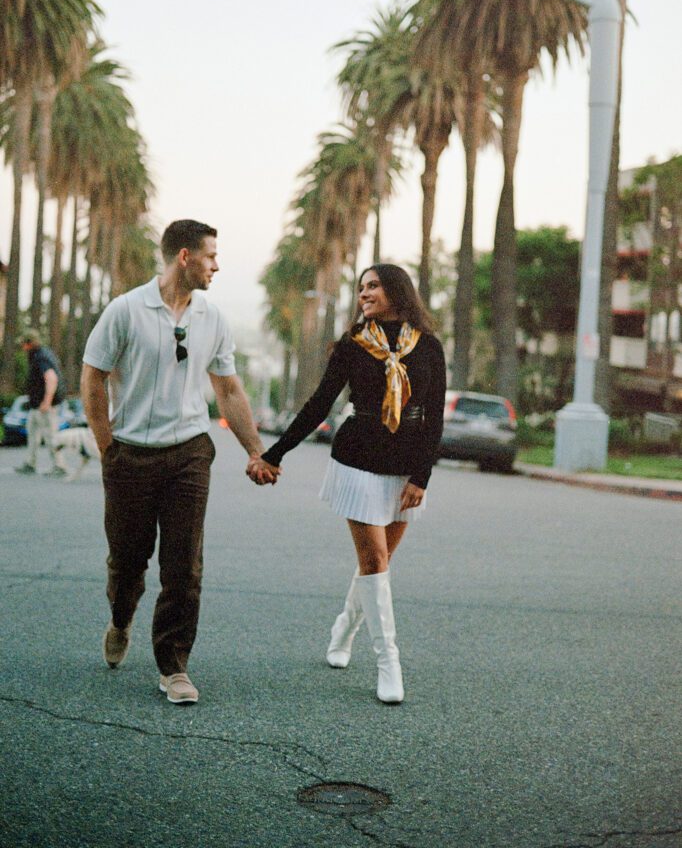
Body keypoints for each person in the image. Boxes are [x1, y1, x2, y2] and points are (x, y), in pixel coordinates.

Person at [81, 219, 278, 706]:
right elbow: (92, 379)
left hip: (189, 451)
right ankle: (122, 617)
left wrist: (256, 450)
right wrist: (109, 449)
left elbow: (228, 390)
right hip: (130, 454)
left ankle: (173, 667)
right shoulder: (126, 311)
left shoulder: (213, 317)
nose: (218, 265)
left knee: (184, 565)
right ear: (184, 257)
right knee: (128, 562)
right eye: (211, 256)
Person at [248, 264, 446, 704]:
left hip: (406, 465)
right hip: (357, 458)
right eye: (360, 288)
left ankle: (345, 625)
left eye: (373, 286)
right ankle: (388, 662)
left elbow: (434, 417)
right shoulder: (353, 346)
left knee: (378, 563)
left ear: (398, 291)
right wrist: (274, 453)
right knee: (375, 560)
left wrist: (422, 476)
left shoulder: (428, 347)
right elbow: (320, 402)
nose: (364, 294)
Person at [15, 329, 68, 477]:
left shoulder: (41, 357)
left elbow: (51, 378)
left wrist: (47, 401)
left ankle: (60, 465)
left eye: (23, 344)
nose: (22, 347)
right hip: (36, 405)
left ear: (29, 343)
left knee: (51, 435)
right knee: (32, 434)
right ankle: (30, 463)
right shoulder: (38, 355)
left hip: (44, 405)